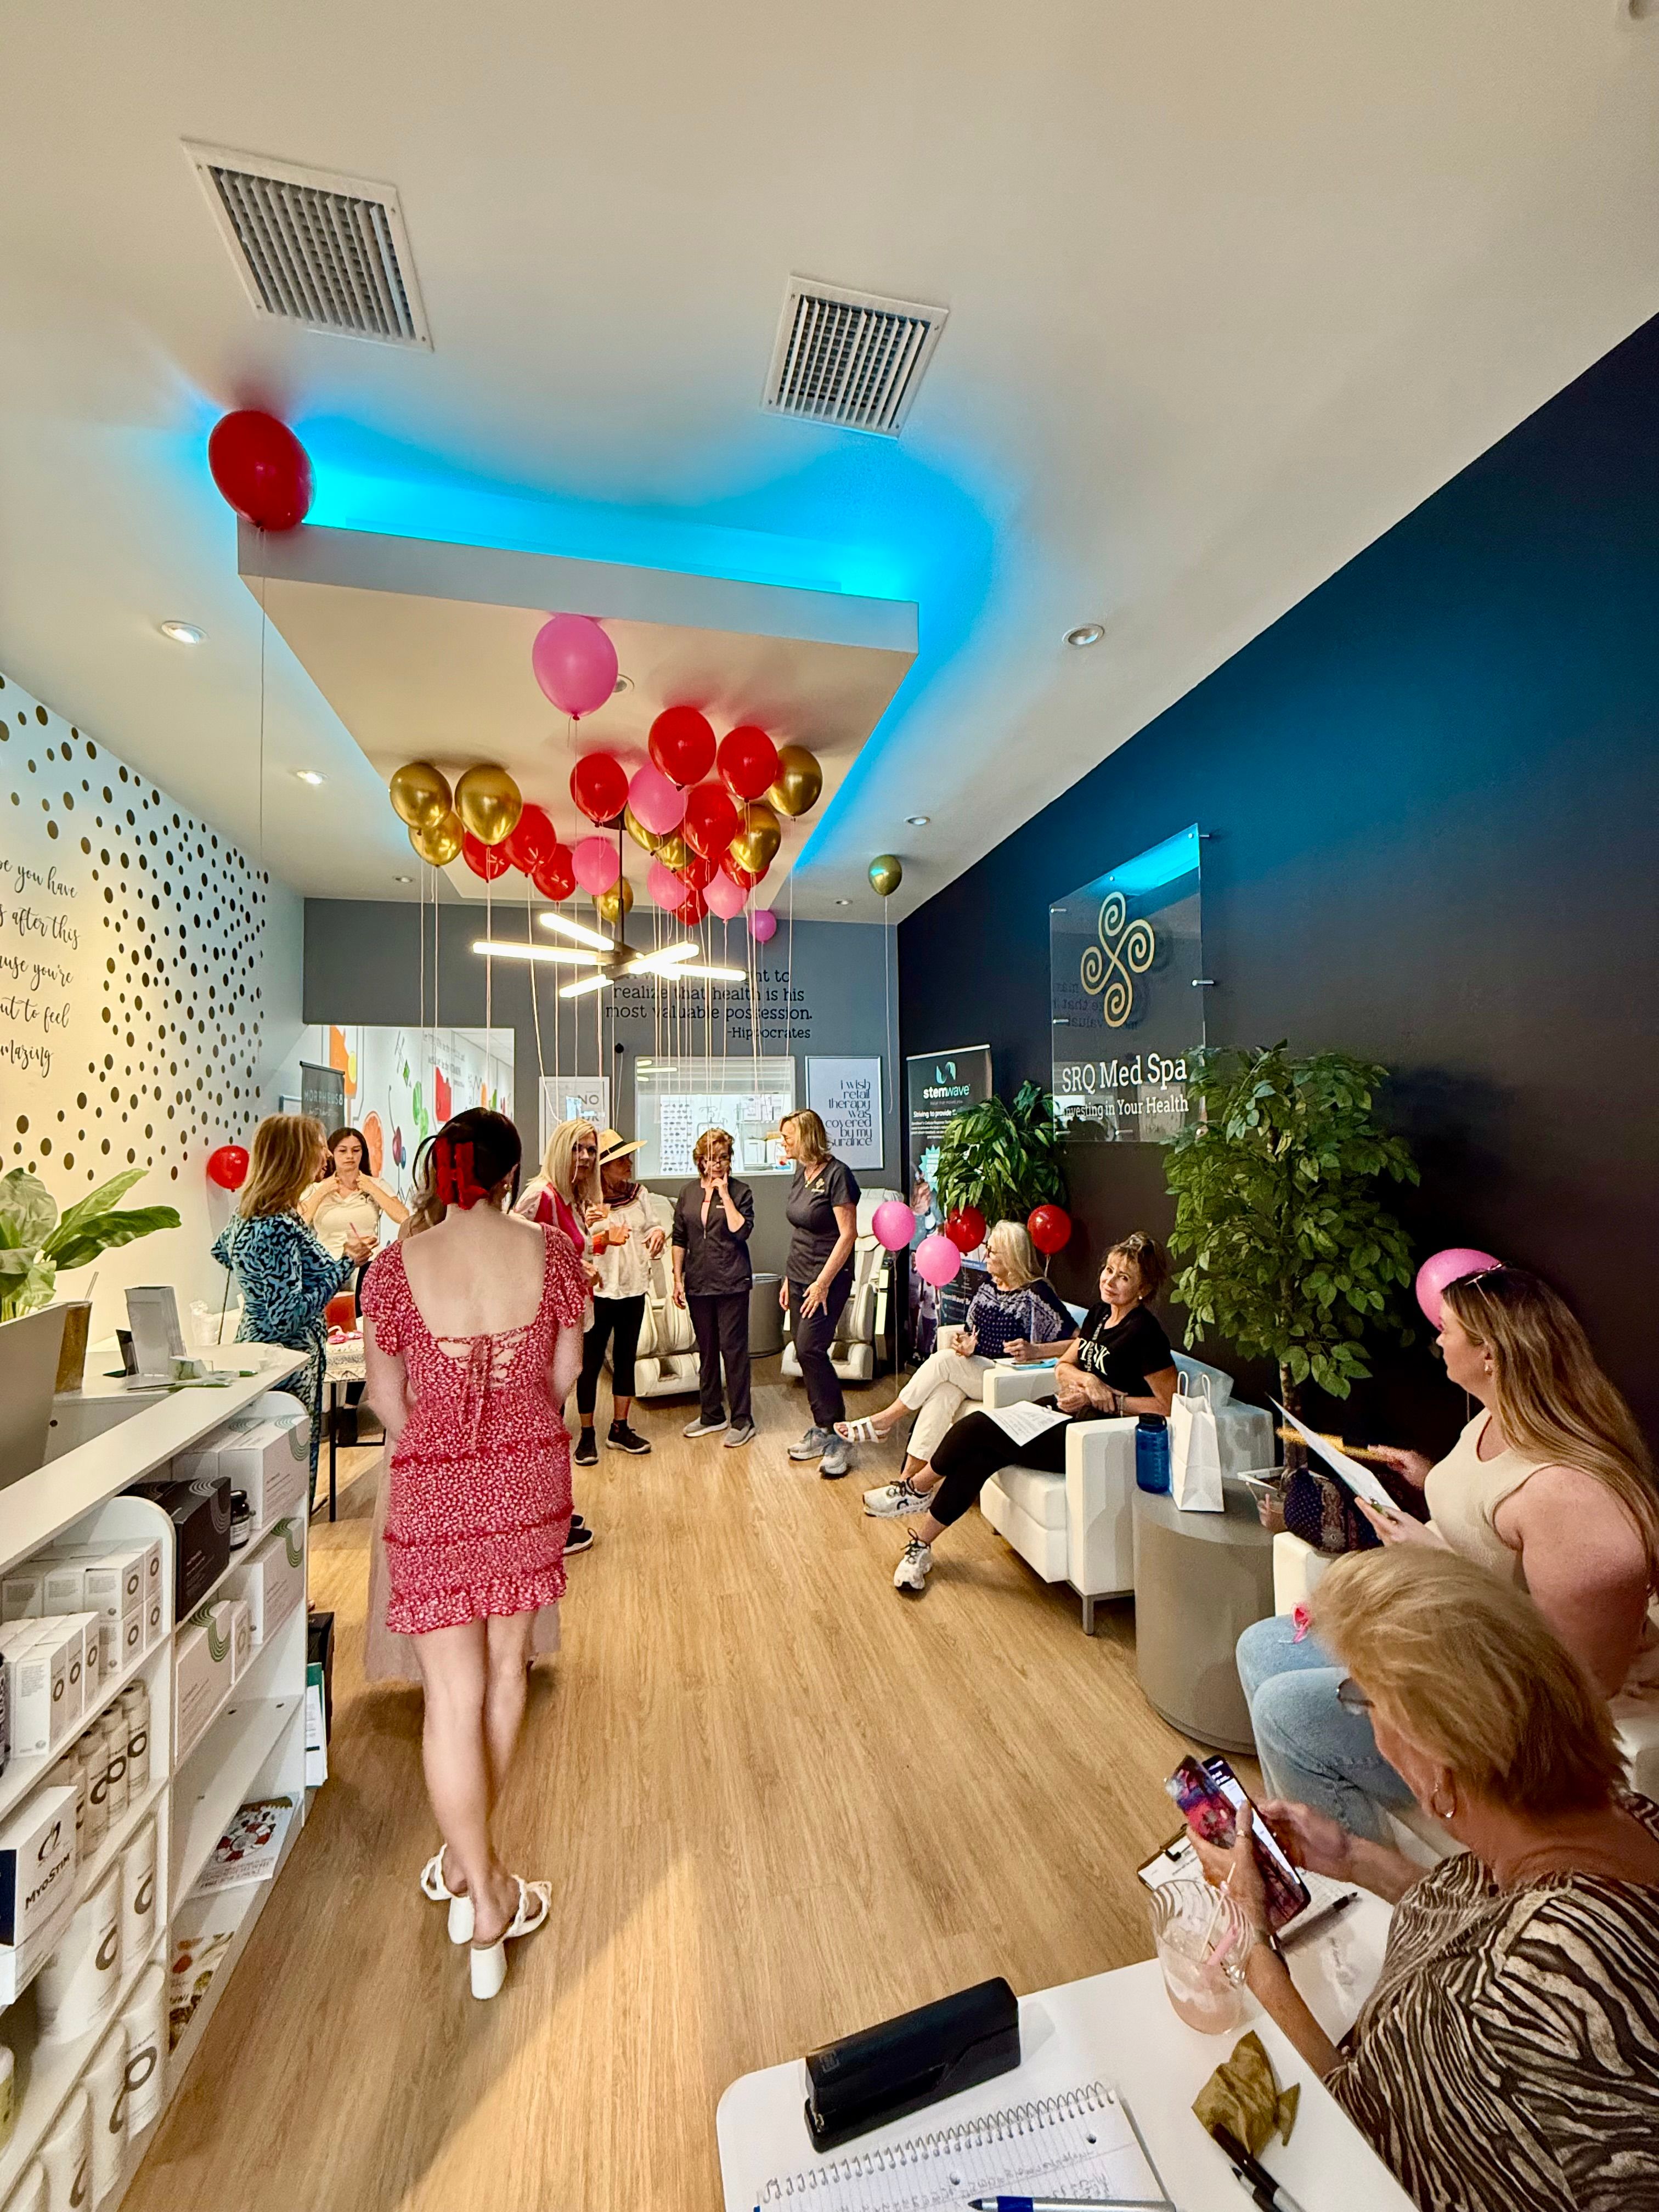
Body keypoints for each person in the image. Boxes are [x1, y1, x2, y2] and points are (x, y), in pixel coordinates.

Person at [1189, 1549, 1659, 2212]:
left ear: (1438, 1763)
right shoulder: (1623, 1821)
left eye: (1362, 1700)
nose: (1369, 1729)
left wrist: (1256, 1947)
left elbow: (1357, 2122)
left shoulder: (1488, 2003)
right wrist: (1352, 1855)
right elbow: (1479, 1914)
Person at [1237, 1264, 1659, 1841]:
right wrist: (1428, 1479)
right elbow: (1490, 1522)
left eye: (1449, 1328)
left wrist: (1437, 1559)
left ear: (1491, 1353)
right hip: (1450, 1639)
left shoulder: (1569, 1495)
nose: (1437, 1338)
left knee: (1287, 1712)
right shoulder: (1494, 1415)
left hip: (1510, 1705)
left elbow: (1581, 1677)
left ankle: (1360, 1888)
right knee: (1261, 1646)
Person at [360, 1109, 586, 2002]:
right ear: (507, 1170)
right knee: (503, 1673)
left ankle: (473, 1877)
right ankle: (481, 1880)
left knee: (448, 1693)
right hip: (529, 1479)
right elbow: (563, 1377)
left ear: (439, 1171)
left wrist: (442, 1445)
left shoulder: (392, 1269)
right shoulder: (552, 1254)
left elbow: (386, 1397)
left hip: (433, 1484)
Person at [890, 1232, 1178, 1595]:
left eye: (1123, 1277)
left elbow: (1169, 1406)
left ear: (1143, 1288)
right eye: (1108, 1271)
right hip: (1064, 1413)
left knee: (978, 1426)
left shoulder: (1145, 1334)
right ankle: (922, 1546)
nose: (1109, 1280)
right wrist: (1085, 1380)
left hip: (1092, 1440)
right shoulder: (1102, 1314)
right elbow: (1063, 1365)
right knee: (980, 1456)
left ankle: (916, 1488)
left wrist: (1114, 1400)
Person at [838, 1221, 1074, 1513]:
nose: (986, 1256)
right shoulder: (989, 1286)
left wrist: (1037, 1349)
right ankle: (909, 1485)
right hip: (979, 1367)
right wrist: (967, 1343)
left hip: (1008, 1376)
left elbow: (1079, 1342)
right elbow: (971, 1330)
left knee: (942, 1363)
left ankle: (885, 1420)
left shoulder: (1037, 1293)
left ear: (1012, 1256)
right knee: (944, 1392)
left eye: (993, 1252)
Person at [210, 1113, 374, 1497]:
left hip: (275, 1356)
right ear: (296, 1154)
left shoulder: (259, 1214)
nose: (325, 1154)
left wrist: (257, 1289)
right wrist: (345, 1264)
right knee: (283, 1485)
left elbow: (221, 1251)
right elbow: (286, 1317)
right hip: (283, 1367)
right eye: (319, 1145)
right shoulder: (275, 1226)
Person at [514, 1118, 603, 1551]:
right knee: (546, 1428)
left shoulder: (569, 1199)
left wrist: (582, 1270)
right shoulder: (540, 1196)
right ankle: (547, 1523)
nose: (585, 1158)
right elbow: (510, 1251)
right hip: (543, 1334)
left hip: (565, 1326)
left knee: (553, 1424)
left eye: (591, 1151)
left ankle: (553, 1511)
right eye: (578, 1149)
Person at [776, 1109, 861, 1478]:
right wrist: (787, 1279)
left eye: (789, 1137)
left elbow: (848, 1235)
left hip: (827, 1279)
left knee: (810, 1347)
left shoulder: (838, 1175)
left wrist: (823, 1282)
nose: (784, 1143)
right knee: (804, 1349)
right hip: (798, 1276)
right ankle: (823, 1428)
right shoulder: (802, 1172)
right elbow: (800, 1229)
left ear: (808, 1137)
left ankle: (839, 1433)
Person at [572, 1130, 664, 1462]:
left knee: (627, 1357)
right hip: (598, 1292)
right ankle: (586, 1434)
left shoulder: (640, 1195)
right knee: (591, 1364)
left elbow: (653, 1225)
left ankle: (620, 1427)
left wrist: (656, 1235)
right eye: (621, 1159)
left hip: (633, 1288)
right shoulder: (584, 1200)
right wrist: (593, 1226)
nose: (629, 1164)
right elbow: (574, 1243)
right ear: (604, 1167)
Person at [671, 1127, 755, 1447]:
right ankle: (711, 1414)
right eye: (710, 1159)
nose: (717, 1164)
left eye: (723, 1158)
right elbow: (679, 1238)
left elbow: (740, 1230)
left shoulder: (742, 1191)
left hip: (732, 1282)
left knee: (733, 1352)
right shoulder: (688, 1193)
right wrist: (678, 1279)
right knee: (706, 1350)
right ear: (699, 1162)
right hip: (698, 1282)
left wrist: (724, 1195)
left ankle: (742, 1419)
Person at [299, 1124, 409, 1265]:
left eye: (356, 1150)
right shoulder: (316, 1188)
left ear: (363, 1153)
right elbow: (299, 1222)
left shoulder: (376, 1184)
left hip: (367, 1263)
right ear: (331, 1153)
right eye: (343, 1151)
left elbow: (404, 1216)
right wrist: (323, 1191)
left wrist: (372, 1189)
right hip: (326, 1266)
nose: (350, 1156)